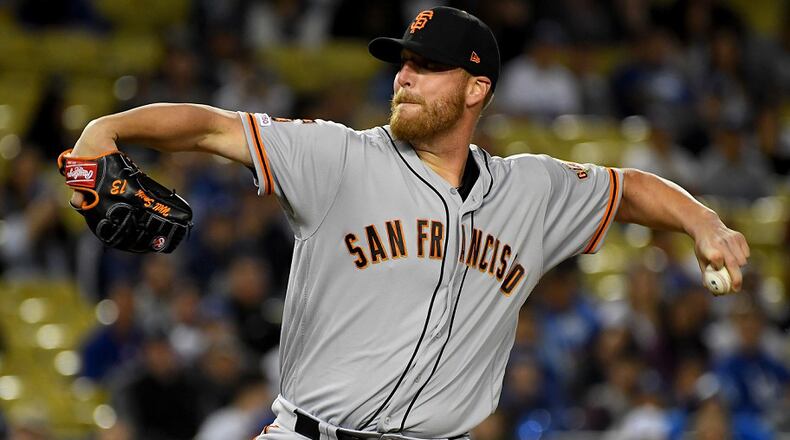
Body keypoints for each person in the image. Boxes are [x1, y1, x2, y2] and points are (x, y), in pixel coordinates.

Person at [63, 6, 750, 440]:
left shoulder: (529, 190)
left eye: (428, 66)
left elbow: (627, 188)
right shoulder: (337, 157)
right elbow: (212, 128)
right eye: (404, 64)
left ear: (476, 89)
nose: (406, 77)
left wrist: (702, 222)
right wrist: (108, 128)